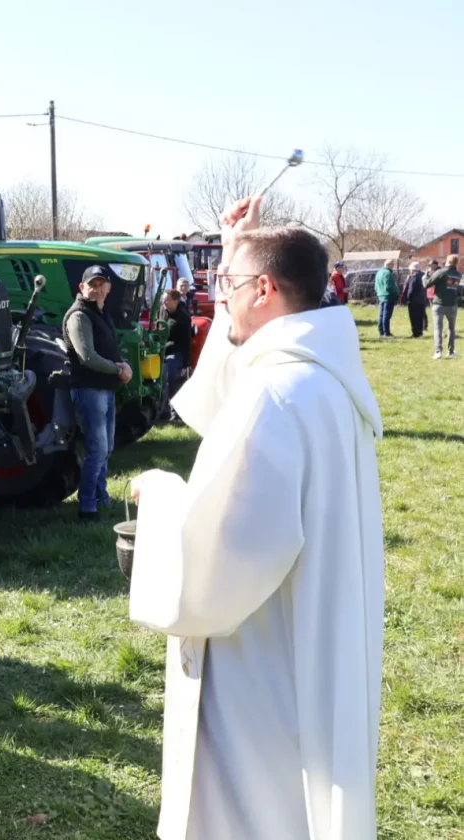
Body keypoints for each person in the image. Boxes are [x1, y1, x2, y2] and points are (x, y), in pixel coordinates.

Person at [128, 195, 384, 840]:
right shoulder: (321, 379)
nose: (222, 297)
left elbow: (215, 572)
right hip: (311, 639)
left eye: (229, 284)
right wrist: (232, 248)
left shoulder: (274, 393)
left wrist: (159, 496)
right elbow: (221, 400)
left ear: (264, 290)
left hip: (261, 667)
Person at [61, 265, 133, 522]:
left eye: (102, 284)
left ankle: (101, 498)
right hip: (89, 391)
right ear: (82, 287)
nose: (98, 289)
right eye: (92, 285)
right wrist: (118, 369)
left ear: (109, 288)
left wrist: (123, 364)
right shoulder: (79, 315)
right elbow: (87, 356)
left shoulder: (100, 313)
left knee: (106, 448)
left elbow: (109, 349)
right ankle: (88, 508)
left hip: (104, 390)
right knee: (97, 450)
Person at [161, 289, 193, 415]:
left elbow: (186, 342)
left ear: (176, 301)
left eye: (167, 300)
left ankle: (176, 410)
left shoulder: (183, 318)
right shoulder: (162, 310)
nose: (164, 302)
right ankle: (163, 410)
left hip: (176, 351)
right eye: (163, 300)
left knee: (170, 372)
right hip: (161, 350)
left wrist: (185, 364)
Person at [426, 253, 460, 359]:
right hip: (452, 304)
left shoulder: (441, 272)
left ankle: (438, 351)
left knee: (438, 328)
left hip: (439, 304)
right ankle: (451, 351)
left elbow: (427, 284)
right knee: (451, 328)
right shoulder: (458, 274)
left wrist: (426, 275)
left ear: (449, 261)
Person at [403, 261, 428, 338]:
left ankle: (415, 333)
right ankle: (420, 332)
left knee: (414, 318)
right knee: (420, 317)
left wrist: (407, 298)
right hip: (422, 299)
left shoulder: (414, 277)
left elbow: (411, 289)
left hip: (414, 301)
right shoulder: (423, 276)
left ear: (413, 270)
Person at [375, 258, 398, 337]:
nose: (393, 266)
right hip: (388, 296)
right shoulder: (387, 273)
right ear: (388, 265)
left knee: (381, 314)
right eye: (392, 265)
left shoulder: (379, 272)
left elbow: (376, 285)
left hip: (381, 295)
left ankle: (381, 331)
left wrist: (379, 293)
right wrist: (396, 293)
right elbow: (389, 286)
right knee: (387, 315)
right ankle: (386, 332)